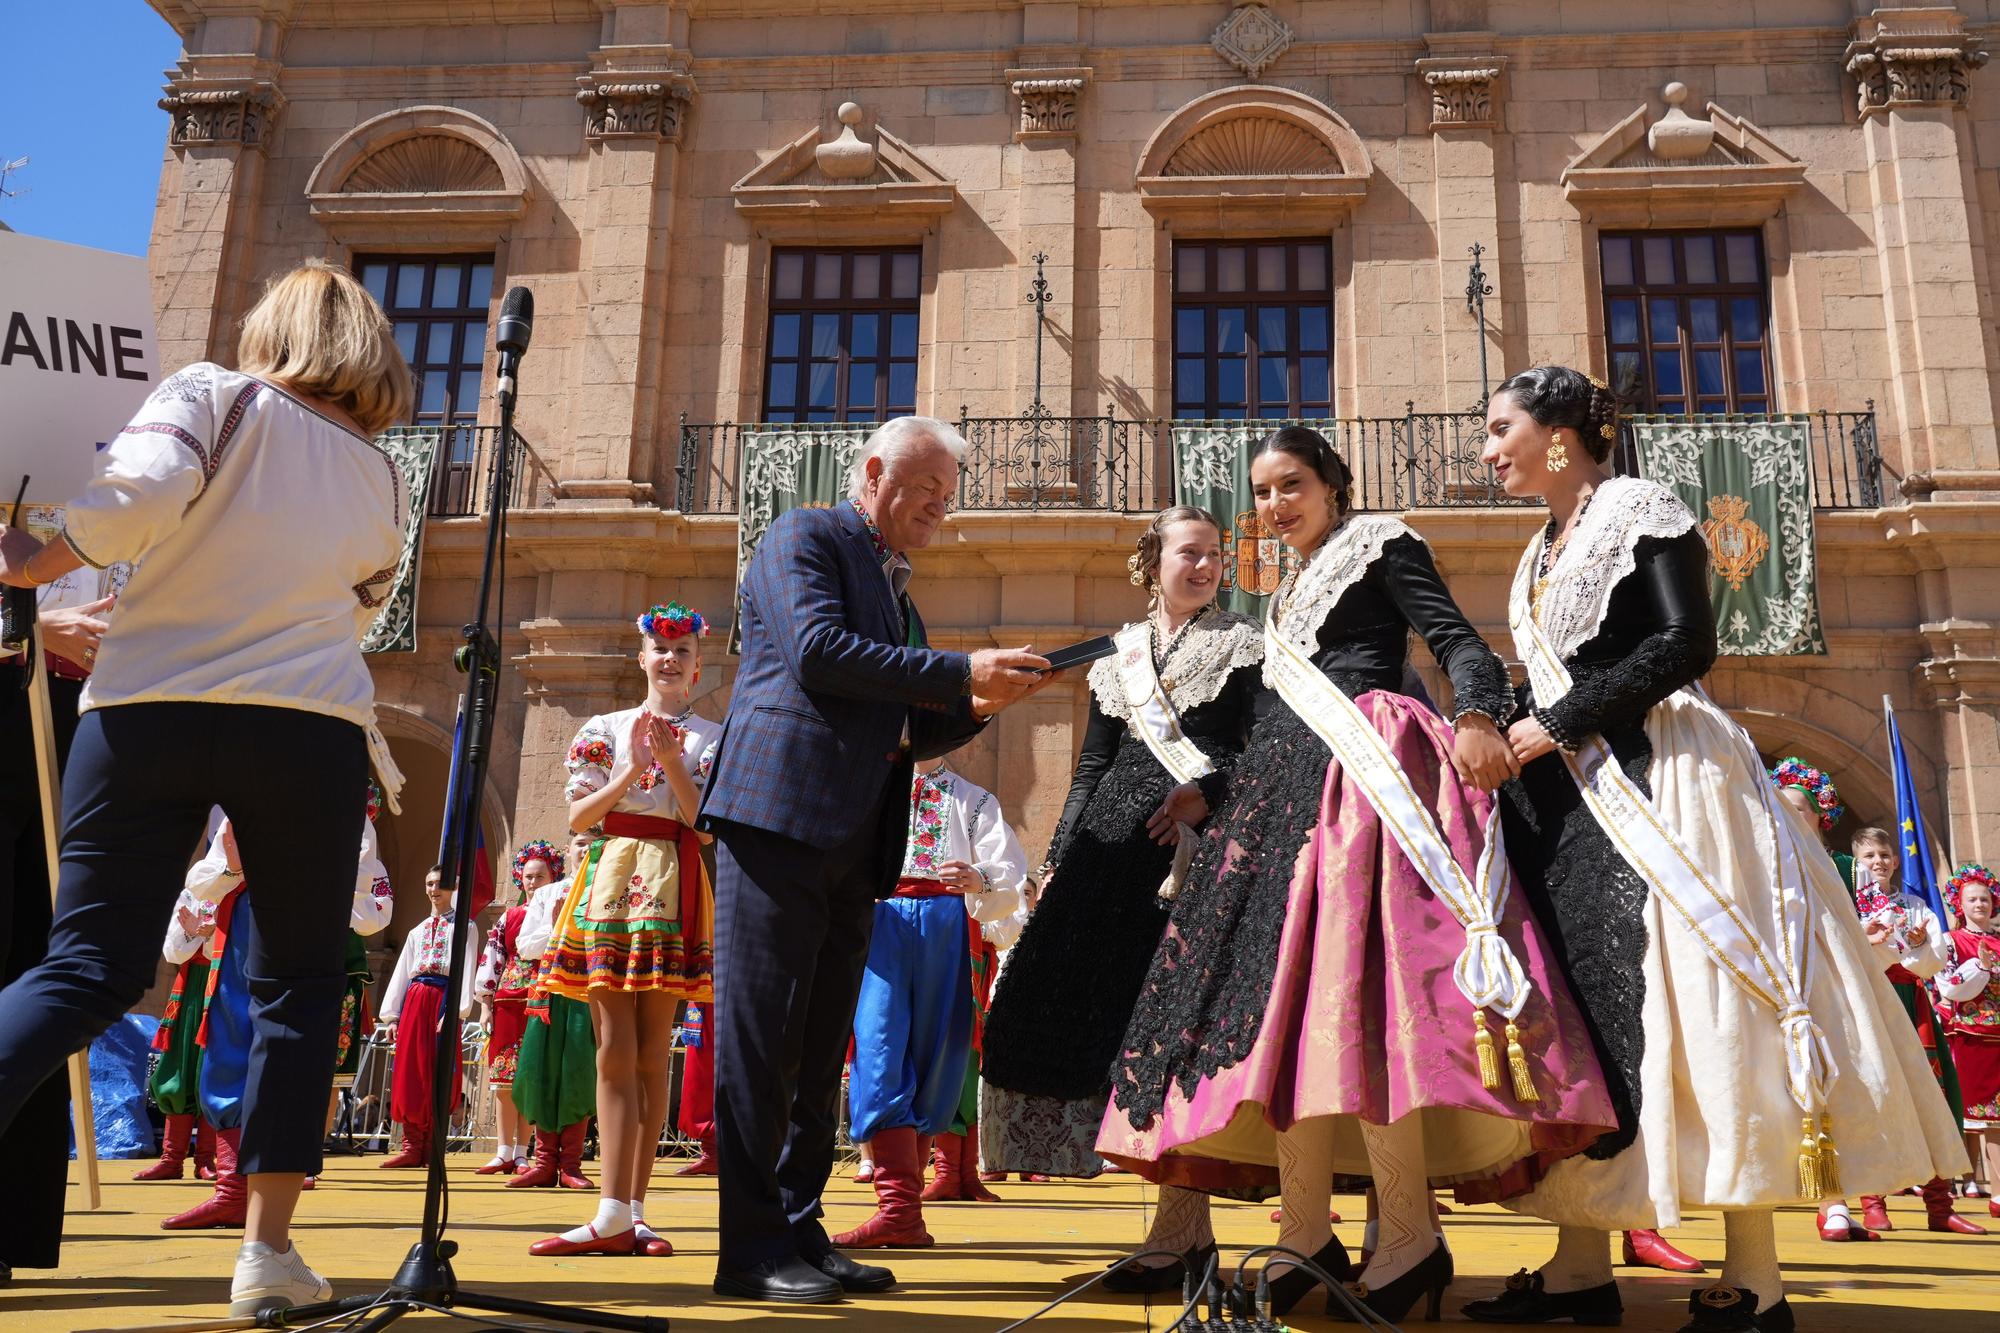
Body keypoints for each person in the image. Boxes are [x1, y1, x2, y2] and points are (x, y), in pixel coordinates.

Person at [1463, 366, 1963, 1333]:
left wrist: (1552, 721)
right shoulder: (1540, 549)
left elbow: (1687, 643)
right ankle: (1578, 1267)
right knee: (1592, 1006)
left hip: (1668, 780)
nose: (1487, 449)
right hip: (1575, 797)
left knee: (1706, 1002)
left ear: (1558, 433)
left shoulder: (1643, 508)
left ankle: (1754, 1277)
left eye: (1498, 428)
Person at [1099, 425, 1617, 1324]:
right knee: (1287, 1014)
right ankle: (1305, 1231)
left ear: (1333, 483)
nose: (1274, 506)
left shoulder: (1385, 542)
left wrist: (1480, 716)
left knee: (1369, 998)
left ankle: (1410, 1234)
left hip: (1369, 781)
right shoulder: (1286, 589)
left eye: (1290, 484)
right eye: (1260, 492)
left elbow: (1457, 643)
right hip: (1285, 795)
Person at [0, 259, 409, 1315]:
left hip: (149, 706)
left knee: (86, 966)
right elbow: (367, 597)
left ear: (268, 326)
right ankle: (267, 1255)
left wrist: (34, 561)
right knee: (299, 987)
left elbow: (136, 497)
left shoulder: (208, 394)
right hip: (307, 724)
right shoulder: (379, 471)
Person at [699, 415, 1055, 1303]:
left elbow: (911, 722)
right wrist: (954, 665)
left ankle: (799, 1226)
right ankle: (748, 1248)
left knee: (821, 1049)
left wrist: (983, 700)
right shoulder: (805, 535)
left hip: (859, 839)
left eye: (948, 494)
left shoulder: (899, 594)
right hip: (778, 819)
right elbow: (820, 654)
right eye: (928, 487)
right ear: (873, 472)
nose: (940, 506)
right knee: (762, 1039)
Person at [982, 505, 1264, 1290]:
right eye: (1189, 553)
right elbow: (1089, 769)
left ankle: (1181, 1234)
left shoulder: (1244, 647)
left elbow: (1258, 750)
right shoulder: (1118, 658)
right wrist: (1059, 859)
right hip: (1111, 861)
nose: (1205, 566)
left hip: (1196, 856)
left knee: (1181, 1035)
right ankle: (1180, 1233)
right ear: (1152, 561)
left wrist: (1208, 796)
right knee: (1100, 1027)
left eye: (1214, 555)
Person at [529, 602, 722, 1258]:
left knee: (650, 1048)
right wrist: (627, 768)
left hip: (673, 877)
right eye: (658, 648)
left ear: (697, 667)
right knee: (614, 1043)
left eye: (682, 651)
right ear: (640, 657)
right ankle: (612, 1208)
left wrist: (669, 765)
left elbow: (708, 823)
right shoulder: (604, 728)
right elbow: (580, 815)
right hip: (611, 877)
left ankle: (633, 1210)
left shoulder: (711, 737)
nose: (669, 659)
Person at [163, 811, 395, 1228]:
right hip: (245, 927)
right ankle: (232, 1190)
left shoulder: (345, 811)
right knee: (230, 1045)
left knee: (290, 1056)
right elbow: (201, 879)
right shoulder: (244, 805)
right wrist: (235, 867)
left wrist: (314, 884)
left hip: (307, 927)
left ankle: (269, 1211)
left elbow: (372, 911)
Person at [833, 755, 1027, 1246]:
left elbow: (1008, 869)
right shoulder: (867, 786)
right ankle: (898, 1209)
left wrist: (978, 878)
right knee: (879, 1053)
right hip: (882, 919)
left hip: (946, 924)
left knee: (935, 1062)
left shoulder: (973, 799)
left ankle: (905, 1212)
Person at [1835, 827, 1983, 1236]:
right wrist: (1888, 947)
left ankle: (1940, 1205)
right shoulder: (1849, 909)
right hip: (1869, 1003)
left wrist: (1915, 948)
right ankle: (1873, 1202)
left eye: (1884, 855)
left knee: (1930, 1096)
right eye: (1869, 856)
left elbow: (1934, 962)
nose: (1878, 862)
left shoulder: (1916, 907)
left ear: (1896, 860)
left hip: (1913, 1005)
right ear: (1856, 863)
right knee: (1874, 1093)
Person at [509, 828, 598, 1191]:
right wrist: (558, 926)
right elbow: (525, 945)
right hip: (547, 994)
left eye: (594, 845)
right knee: (539, 1069)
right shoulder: (547, 893)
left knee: (579, 1073)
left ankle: (571, 1164)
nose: (586, 851)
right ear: (569, 849)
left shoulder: (605, 891)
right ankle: (544, 1161)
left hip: (587, 992)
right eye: (580, 844)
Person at [377, 867, 480, 1169]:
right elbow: (401, 974)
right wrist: (392, 1017)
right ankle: (412, 1146)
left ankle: (432, 1146)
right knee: (410, 1071)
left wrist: (456, 1012)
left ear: (453, 888)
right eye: (429, 883)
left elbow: (466, 969)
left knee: (438, 1071)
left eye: (440, 884)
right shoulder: (417, 931)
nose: (435, 889)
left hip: (442, 1000)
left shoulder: (465, 927)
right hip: (415, 999)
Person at [474, 840, 564, 1175]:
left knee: (530, 1076)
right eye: (528, 876)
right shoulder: (509, 918)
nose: (532, 882)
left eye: (540, 876)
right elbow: (492, 961)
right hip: (508, 999)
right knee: (502, 1076)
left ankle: (524, 1151)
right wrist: (484, 1006)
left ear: (553, 877)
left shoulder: (558, 913)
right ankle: (502, 1150)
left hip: (542, 998)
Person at [135, 892, 222, 1184]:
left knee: (213, 1070)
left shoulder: (242, 893)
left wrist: (211, 934)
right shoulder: (194, 890)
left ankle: (206, 1160)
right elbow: (173, 952)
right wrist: (194, 933)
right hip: (190, 988)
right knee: (179, 1068)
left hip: (222, 985)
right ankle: (171, 1159)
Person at [1938, 864, 2000, 1220]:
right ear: (1959, 904)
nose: (1980, 904)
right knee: (1982, 1118)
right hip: (1972, 1034)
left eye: (1985, 898)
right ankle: (1964, 1184)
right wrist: (1980, 966)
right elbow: (1950, 988)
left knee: (1996, 1120)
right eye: (1972, 899)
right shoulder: (1952, 941)